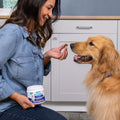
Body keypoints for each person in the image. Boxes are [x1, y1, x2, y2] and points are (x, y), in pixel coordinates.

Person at [0, 0, 68, 120]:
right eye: (48, 8)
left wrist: (46, 56)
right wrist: (16, 96)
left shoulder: (31, 34)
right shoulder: (12, 33)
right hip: (7, 107)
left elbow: (24, 69)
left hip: (26, 105)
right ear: (34, 4)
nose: (51, 15)